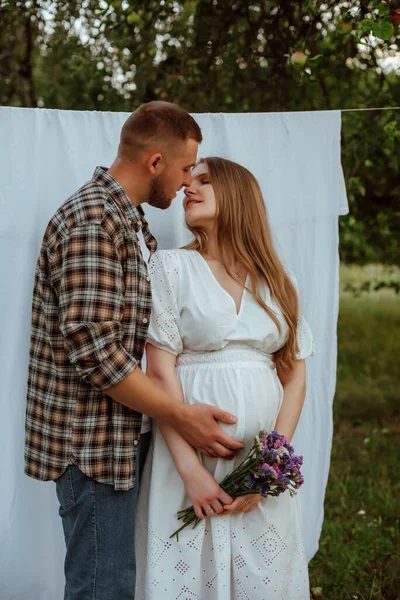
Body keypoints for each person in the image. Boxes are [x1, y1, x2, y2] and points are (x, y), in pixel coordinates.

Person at [24, 104, 244, 600]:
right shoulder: (92, 220)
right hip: (92, 444)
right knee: (103, 587)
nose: (188, 181)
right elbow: (97, 352)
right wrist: (181, 415)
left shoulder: (128, 221)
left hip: (121, 437)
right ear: (156, 162)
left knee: (119, 581)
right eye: (187, 168)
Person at [135, 157, 315, 599]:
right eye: (188, 182)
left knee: (262, 576)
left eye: (205, 181)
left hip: (255, 469)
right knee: (187, 572)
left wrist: (269, 468)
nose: (188, 190)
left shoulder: (278, 280)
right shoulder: (171, 268)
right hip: (188, 461)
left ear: (237, 196)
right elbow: (160, 374)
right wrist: (191, 470)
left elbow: (293, 377)